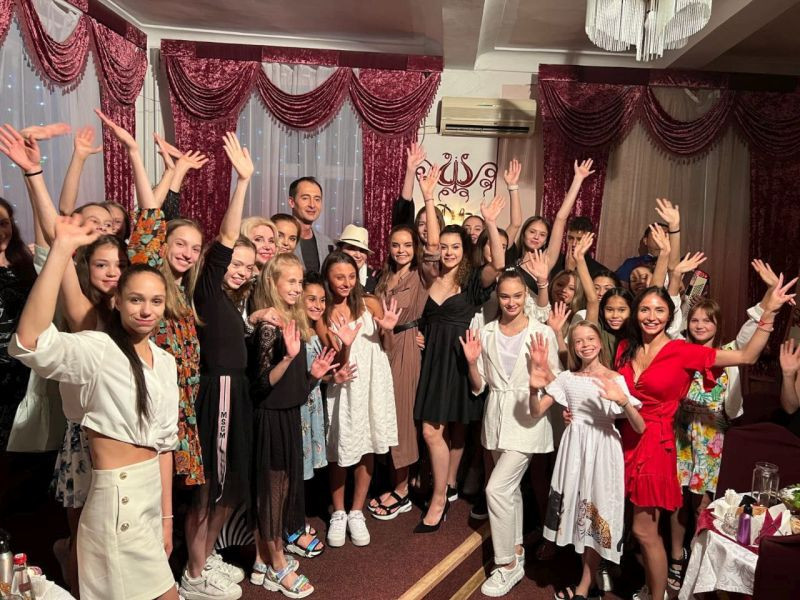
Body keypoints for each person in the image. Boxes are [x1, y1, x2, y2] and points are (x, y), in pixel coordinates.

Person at [11, 216, 180, 600]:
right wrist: (60, 251)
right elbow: (30, 341)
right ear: (116, 301)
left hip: (148, 499)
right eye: (136, 299)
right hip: (116, 503)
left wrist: (167, 519)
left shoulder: (165, 362)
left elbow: (165, 447)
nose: (146, 310)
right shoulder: (98, 349)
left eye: (156, 301)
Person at [616, 276, 796, 600]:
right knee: (640, 526)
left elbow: (746, 356)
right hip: (630, 438)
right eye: (644, 309)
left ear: (670, 316)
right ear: (635, 312)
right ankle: (659, 582)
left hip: (660, 442)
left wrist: (768, 313)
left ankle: (664, 590)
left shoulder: (681, 351)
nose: (651, 316)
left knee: (646, 529)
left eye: (659, 310)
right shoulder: (625, 349)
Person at [98, 110, 207, 489]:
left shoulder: (187, 289)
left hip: (182, 404)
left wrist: (176, 172)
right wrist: (134, 153)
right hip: (151, 400)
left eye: (195, 248)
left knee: (172, 493)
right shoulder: (151, 276)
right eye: (180, 244)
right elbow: (150, 219)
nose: (187, 253)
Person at [667, 259, 778, 593]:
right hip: (682, 436)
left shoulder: (730, 352)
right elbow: (671, 321)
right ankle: (676, 556)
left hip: (715, 440)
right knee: (676, 501)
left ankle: (700, 561)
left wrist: (770, 292)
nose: (700, 325)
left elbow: (754, 325)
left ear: (717, 324)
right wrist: (675, 277)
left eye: (707, 320)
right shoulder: (680, 349)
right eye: (695, 319)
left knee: (704, 504)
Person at [181, 133, 256, 600]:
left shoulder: (230, 301)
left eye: (248, 266)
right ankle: (193, 575)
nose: (240, 270)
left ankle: (205, 557)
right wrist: (242, 182)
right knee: (211, 488)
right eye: (235, 263)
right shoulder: (207, 289)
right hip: (219, 393)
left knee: (231, 488)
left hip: (236, 393)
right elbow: (226, 239)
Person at [461, 270, 561, 597]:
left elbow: (557, 382)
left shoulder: (541, 332)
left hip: (528, 420)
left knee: (496, 489)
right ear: (498, 297)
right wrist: (472, 363)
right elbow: (480, 386)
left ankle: (505, 564)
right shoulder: (487, 331)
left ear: (526, 296)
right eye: (505, 296)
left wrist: (540, 399)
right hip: (495, 419)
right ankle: (517, 551)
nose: (511, 302)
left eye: (517, 295)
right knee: (510, 490)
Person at [528, 323, 644, 600]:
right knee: (579, 511)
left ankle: (584, 585)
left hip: (603, 450)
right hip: (574, 450)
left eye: (591, 338)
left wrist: (623, 401)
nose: (585, 344)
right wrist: (533, 390)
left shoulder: (614, 378)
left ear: (600, 343)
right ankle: (589, 579)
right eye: (578, 340)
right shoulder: (567, 378)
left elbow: (640, 426)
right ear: (573, 346)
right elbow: (535, 412)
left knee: (597, 510)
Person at [413, 195, 505, 533]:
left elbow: (498, 263)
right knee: (432, 431)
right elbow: (430, 247)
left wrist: (490, 222)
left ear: (465, 251)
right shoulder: (430, 276)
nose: (449, 252)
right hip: (431, 360)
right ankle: (444, 489)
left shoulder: (472, 282)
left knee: (445, 429)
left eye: (456, 246)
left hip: (458, 360)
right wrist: (428, 197)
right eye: (445, 246)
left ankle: (441, 496)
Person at [250, 253, 338, 597]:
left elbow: (295, 390)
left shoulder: (294, 322)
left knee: (283, 491)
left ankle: (264, 557)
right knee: (272, 494)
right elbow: (260, 387)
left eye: (299, 282)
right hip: (270, 420)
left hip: (289, 416)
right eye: (291, 281)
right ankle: (276, 565)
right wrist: (288, 357)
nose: (297, 288)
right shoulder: (268, 328)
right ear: (272, 283)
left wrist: (313, 375)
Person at [367, 166, 441, 520]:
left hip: (407, 346)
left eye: (407, 245)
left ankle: (402, 490)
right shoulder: (384, 275)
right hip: (383, 345)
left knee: (400, 417)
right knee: (384, 414)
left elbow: (434, 249)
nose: (401, 250)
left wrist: (428, 196)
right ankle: (395, 480)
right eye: (396, 245)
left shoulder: (422, 274)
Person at [316, 251, 401, 546]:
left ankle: (356, 511)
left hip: (374, 381)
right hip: (346, 383)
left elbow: (387, 346)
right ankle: (338, 512)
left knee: (368, 445)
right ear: (327, 278)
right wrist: (346, 345)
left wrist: (388, 330)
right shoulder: (323, 313)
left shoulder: (370, 303)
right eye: (339, 277)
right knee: (340, 447)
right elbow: (336, 363)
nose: (346, 282)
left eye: (351, 276)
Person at [506, 159, 595, 294]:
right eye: (532, 232)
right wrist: (513, 186)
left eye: (542, 235)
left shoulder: (546, 259)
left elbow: (560, 219)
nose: (536, 237)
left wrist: (578, 179)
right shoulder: (511, 255)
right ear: (524, 233)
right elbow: (515, 223)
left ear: (546, 240)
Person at [290, 177, 333, 273]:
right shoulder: (277, 239)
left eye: (317, 199)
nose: (312, 205)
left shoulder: (327, 244)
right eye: (305, 198)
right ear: (292, 202)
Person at [548, 216, 611, 281]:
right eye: (571, 238)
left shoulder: (599, 272)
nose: (574, 244)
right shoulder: (554, 262)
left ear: (589, 241)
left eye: (579, 239)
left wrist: (571, 271)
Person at [335, 224, 380, 294]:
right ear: (340, 249)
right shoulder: (330, 274)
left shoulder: (375, 279)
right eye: (352, 248)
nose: (358, 255)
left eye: (362, 250)